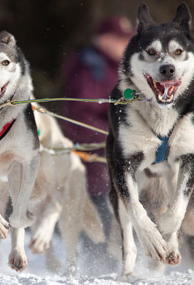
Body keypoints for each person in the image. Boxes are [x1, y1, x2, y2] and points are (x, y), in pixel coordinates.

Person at [61, 16, 134, 236]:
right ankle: (99, 264)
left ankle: (137, 260)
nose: (125, 45)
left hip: (121, 149)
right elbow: (79, 115)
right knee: (99, 209)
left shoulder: (120, 67)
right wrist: (111, 137)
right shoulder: (92, 68)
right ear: (103, 40)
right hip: (95, 153)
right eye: (120, 40)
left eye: (128, 40)